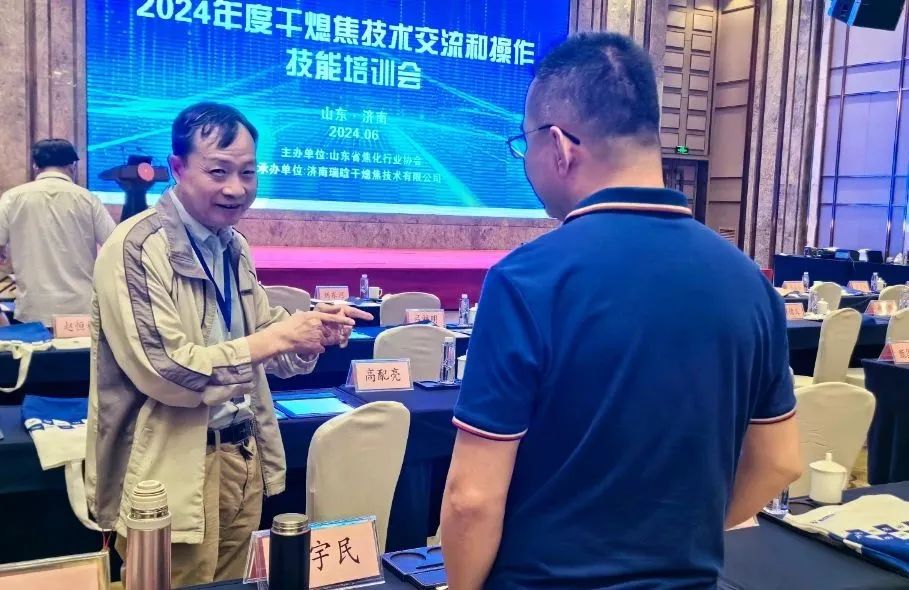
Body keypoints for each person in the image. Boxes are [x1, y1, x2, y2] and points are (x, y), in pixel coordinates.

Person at [441, 33, 802, 589]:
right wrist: (679, 539)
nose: (525, 161)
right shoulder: (749, 282)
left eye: (523, 144)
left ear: (559, 146)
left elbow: (471, 499)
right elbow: (779, 461)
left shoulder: (527, 279)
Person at [85, 102, 371, 587]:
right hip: (170, 470)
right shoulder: (137, 247)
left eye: (248, 172)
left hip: (240, 457)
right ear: (178, 168)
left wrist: (308, 337)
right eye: (218, 171)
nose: (236, 188)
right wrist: (276, 336)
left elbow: (264, 337)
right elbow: (167, 371)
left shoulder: (232, 244)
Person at [0, 139, 115, 325]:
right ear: (72, 166)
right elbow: (116, 246)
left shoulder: (12, 198)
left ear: (35, 166)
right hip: (81, 314)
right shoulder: (88, 200)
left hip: (32, 313)